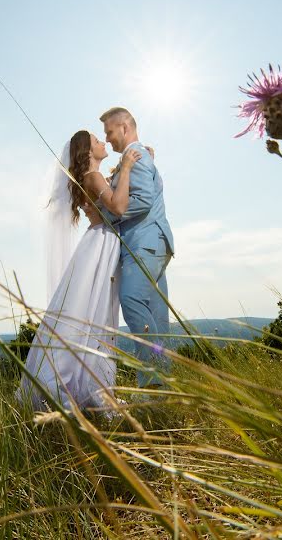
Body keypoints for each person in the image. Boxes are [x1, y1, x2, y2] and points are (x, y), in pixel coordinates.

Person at [16, 129, 141, 413]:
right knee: (94, 314)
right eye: (97, 141)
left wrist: (122, 171)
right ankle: (79, 384)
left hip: (96, 242)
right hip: (102, 243)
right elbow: (119, 206)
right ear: (87, 152)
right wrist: (129, 167)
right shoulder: (93, 177)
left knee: (86, 313)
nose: (103, 142)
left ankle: (77, 381)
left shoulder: (91, 178)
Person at [100, 107, 175, 388]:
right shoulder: (138, 157)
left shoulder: (137, 156)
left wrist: (108, 214)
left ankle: (152, 383)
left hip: (143, 244)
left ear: (124, 128)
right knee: (156, 318)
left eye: (109, 132)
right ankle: (163, 389)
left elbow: (142, 200)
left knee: (131, 303)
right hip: (154, 244)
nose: (107, 139)